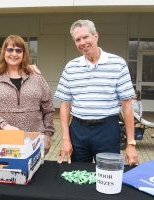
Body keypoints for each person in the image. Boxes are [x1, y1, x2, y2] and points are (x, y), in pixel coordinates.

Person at [54, 19, 139, 165]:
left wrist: (130, 144)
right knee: (77, 175)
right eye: (77, 39)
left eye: (85, 37)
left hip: (108, 129)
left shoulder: (118, 64)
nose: (82, 42)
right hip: (78, 130)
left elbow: (127, 106)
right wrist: (66, 140)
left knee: (108, 175)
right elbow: (65, 105)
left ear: (96, 36)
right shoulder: (71, 67)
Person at [0, 35, 55, 154]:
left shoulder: (36, 77)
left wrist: (47, 134)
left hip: (33, 140)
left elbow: (49, 108)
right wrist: (4, 125)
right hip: (2, 140)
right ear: (4, 52)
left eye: (18, 50)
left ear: (24, 54)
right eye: (10, 49)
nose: (14, 54)